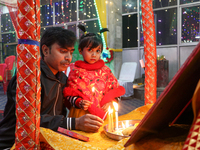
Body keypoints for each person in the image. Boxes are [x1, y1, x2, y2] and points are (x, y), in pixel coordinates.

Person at [0, 27, 103, 149]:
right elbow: (28, 120)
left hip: (50, 138)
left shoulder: (63, 78)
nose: (68, 58)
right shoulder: (28, 78)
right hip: (16, 141)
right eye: (63, 51)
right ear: (45, 50)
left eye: (71, 52)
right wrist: (75, 123)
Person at [63, 24, 125, 119]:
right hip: (83, 114)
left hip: (105, 113)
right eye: (90, 50)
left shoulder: (106, 71)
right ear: (80, 50)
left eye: (97, 51)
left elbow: (116, 91)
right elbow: (70, 94)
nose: (94, 54)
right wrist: (78, 102)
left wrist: (112, 102)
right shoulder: (76, 71)